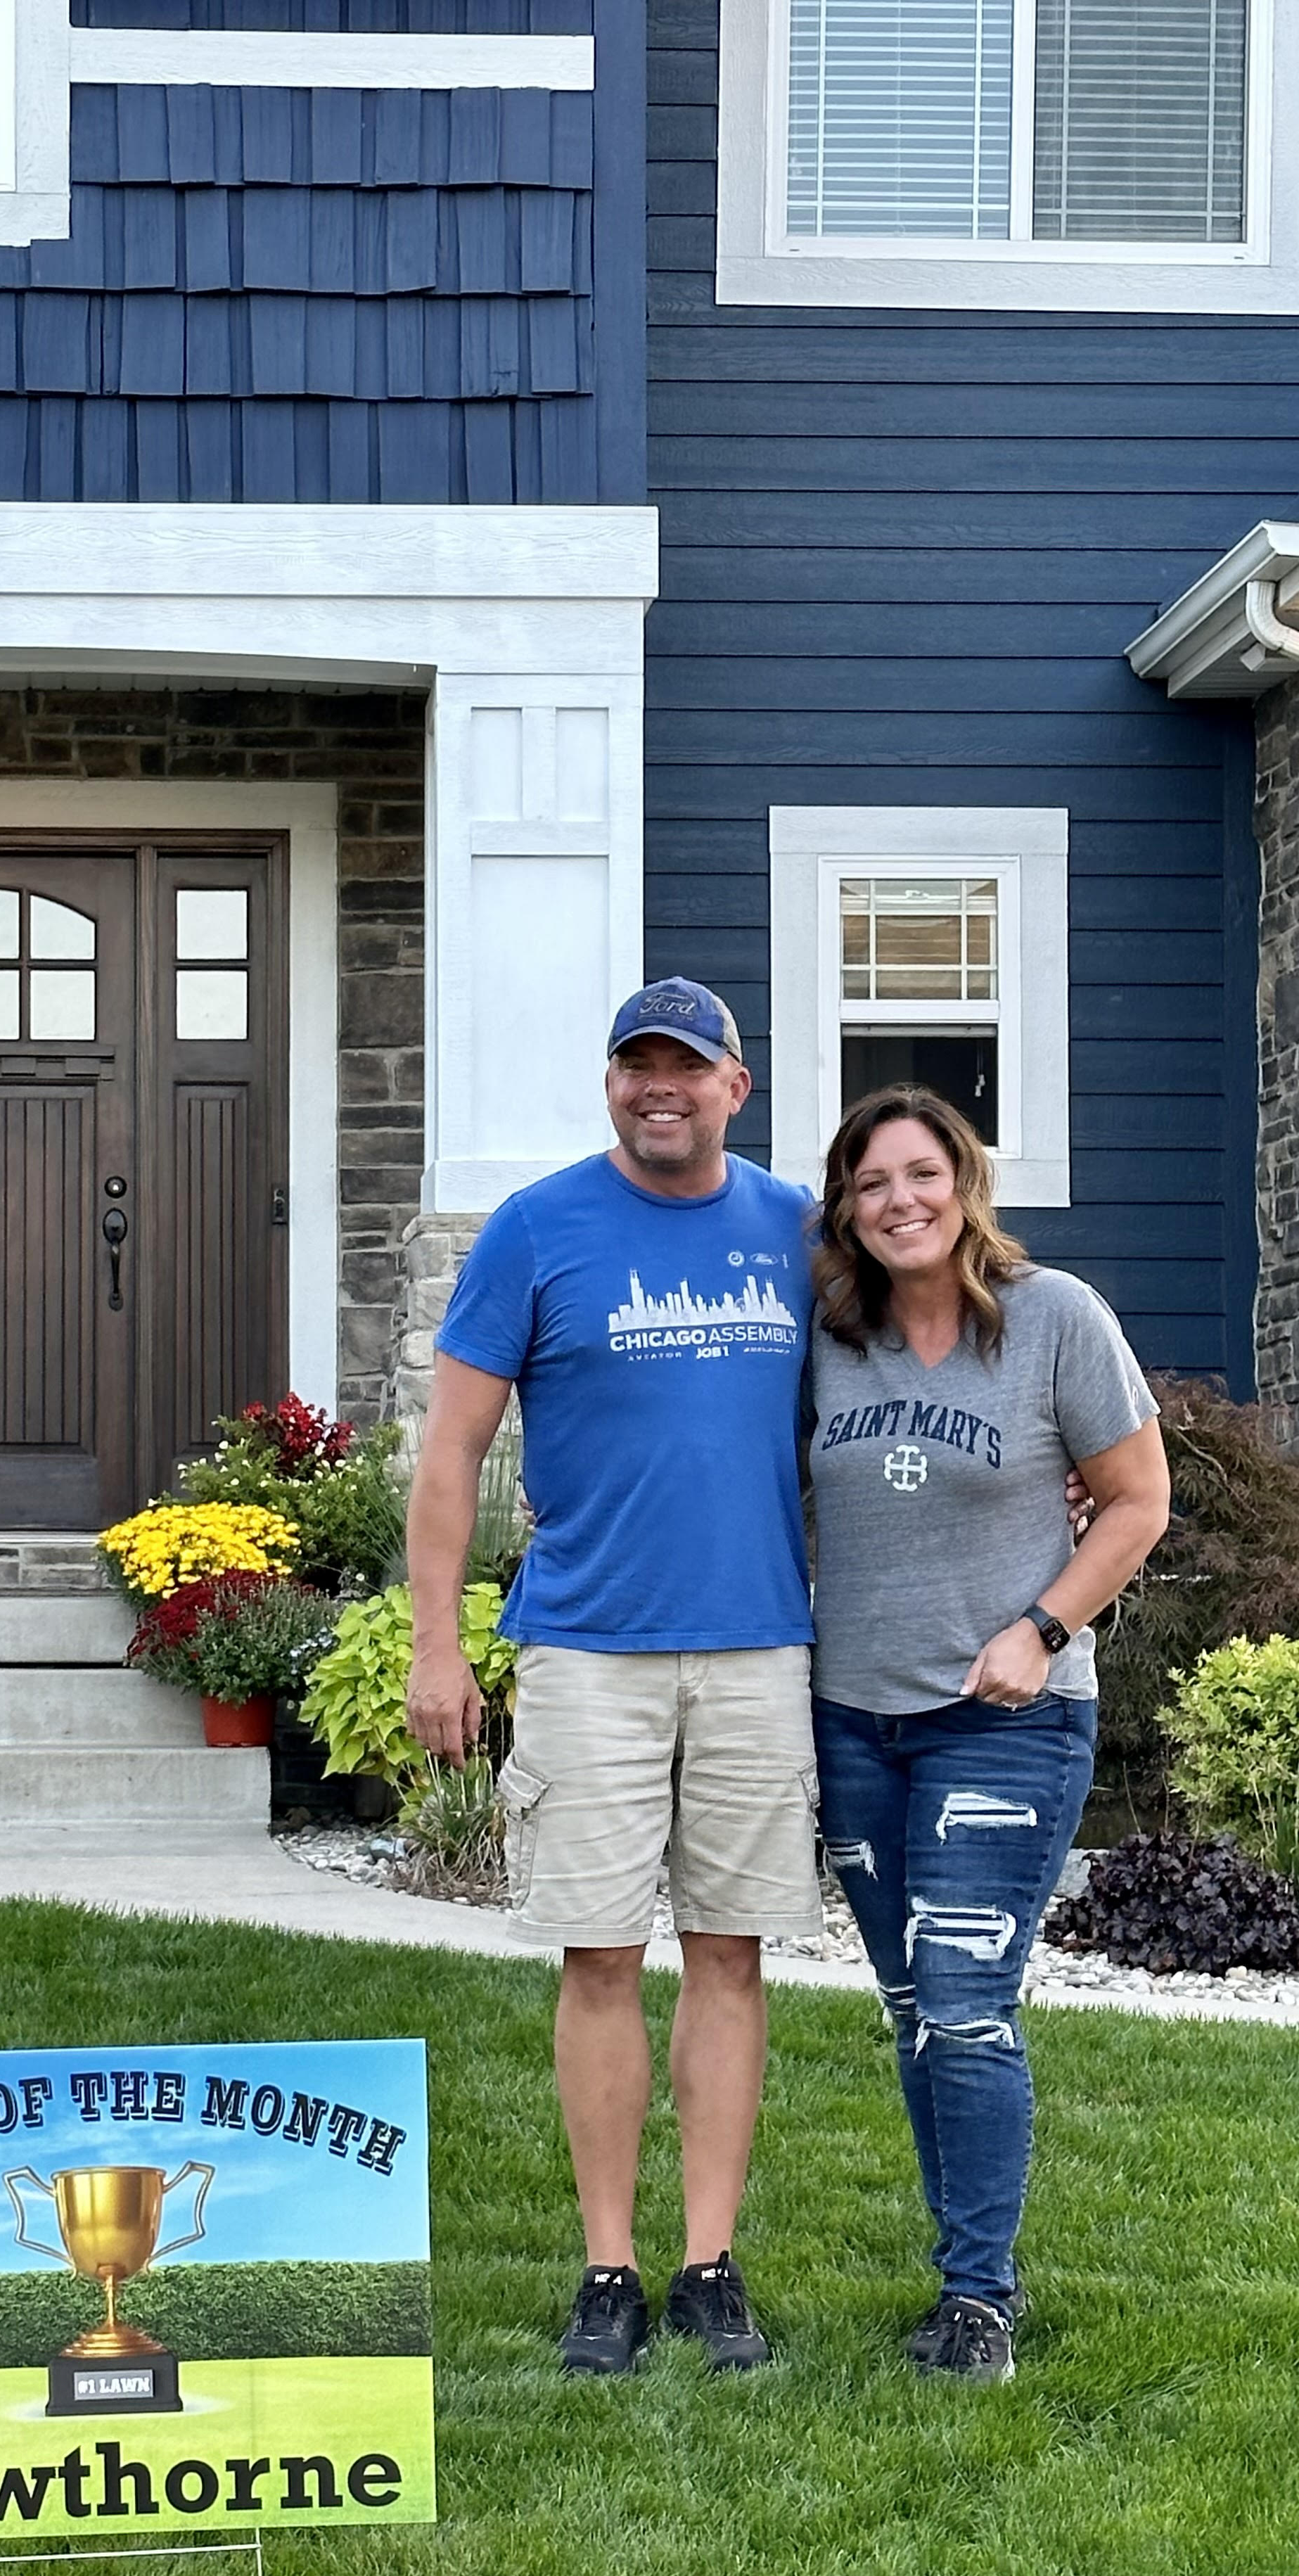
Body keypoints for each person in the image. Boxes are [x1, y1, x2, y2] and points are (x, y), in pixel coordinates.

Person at [404, 978, 821, 2378]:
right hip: (587, 1647)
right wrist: (436, 1642)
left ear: (734, 1088)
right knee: (596, 1954)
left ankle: (708, 2265)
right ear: (609, 1086)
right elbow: (453, 1451)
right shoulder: (537, 1230)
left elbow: (909, 1380)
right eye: (639, 1067)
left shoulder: (795, 1233)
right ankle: (609, 2270)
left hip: (759, 1642)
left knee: (728, 1951)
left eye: (688, 1069)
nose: (664, 1088)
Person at [807, 1086, 1170, 2385]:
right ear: (845, 1209)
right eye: (871, 1183)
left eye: (922, 1173)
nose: (900, 1201)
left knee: (966, 2003)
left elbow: (1137, 1502)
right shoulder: (826, 1338)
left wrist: (1045, 1628)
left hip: (1004, 1724)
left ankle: (979, 2298)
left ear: (964, 1183)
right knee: (913, 2006)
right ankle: (962, 2266)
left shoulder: (1057, 1320)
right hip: (855, 1723)